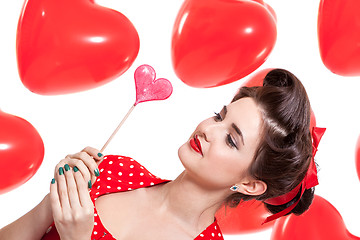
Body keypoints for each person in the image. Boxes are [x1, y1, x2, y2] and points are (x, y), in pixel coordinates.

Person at [0, 68, 325, 240]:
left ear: (251, 184)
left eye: (231, 140)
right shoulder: (111, 170)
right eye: (218, 116)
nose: (208, 130)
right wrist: (55, 200)